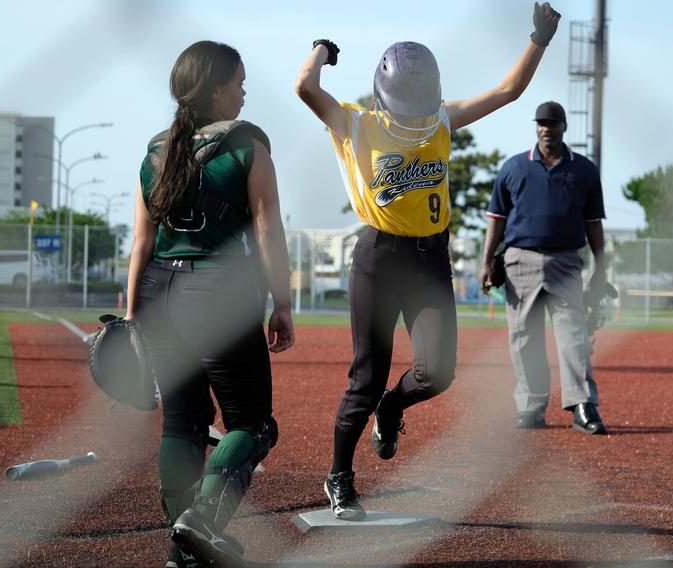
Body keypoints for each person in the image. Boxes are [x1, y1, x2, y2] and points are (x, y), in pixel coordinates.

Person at [295, 3, 561, 520]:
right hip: (378, 259)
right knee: (364, 379)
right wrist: (322, 50)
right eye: (406, 106)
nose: (415, 116)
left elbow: (508, 91)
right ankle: (340, 476)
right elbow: (305, 88)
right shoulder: (355, 124)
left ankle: (392, 408)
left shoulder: (440, 118)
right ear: (382, 96)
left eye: (421, 105)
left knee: (437, 372)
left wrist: (539, 39)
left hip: (430, 261)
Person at [126, 41, 294, 568]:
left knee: (183, 423)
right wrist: (283, 304)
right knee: (253, 423)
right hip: (216, 293)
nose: (244, 91)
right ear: (215, 88)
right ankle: (200, 523)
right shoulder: (247, 148)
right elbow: (270, 235)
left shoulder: (156, 151)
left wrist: (133, 314)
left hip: (159, 294)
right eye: (238, 82)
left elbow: (141, 244)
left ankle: (182, 549)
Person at [479, 101, 607, 435]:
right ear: (536, 127)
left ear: (564, 128)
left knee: (574, 336)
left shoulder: (583, 170)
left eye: (553, 124)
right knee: (524, 338)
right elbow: (496, 220)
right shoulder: (514, 168)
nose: (546, 129)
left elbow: (594, 225)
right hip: (520, 260)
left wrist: (601, 268)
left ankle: (582, 404)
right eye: (541, 123)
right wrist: (486, 260)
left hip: (566, 262)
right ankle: (532, 406)